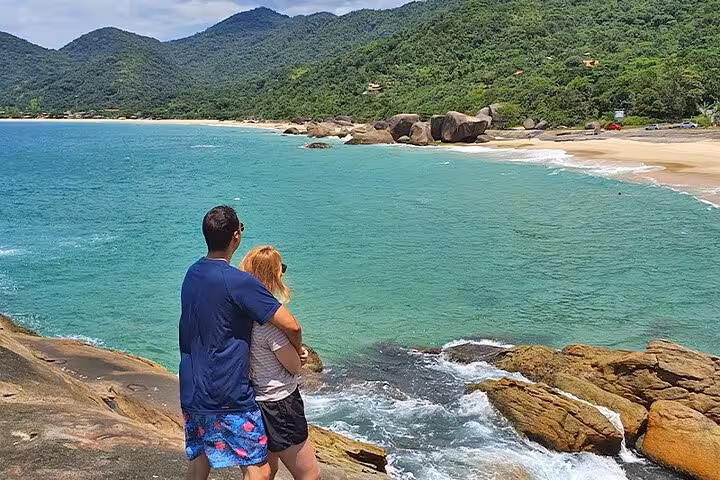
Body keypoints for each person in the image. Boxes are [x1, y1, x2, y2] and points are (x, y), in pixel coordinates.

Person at [179, 206, 306, 480]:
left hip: (192, 390)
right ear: (236, 237)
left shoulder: (192, 273)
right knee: (259, 470)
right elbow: (291, 325)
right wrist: (298, 351)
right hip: (227, 395)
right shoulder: (238, 282)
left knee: (200, 463)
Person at [240, 246, 321, 480]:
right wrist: (300, 352)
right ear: (274, 276)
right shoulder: (270, 323)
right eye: (281, 270)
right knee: (309, 475)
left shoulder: (238, 314)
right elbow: (294, 366)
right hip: (279, 404)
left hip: (251, 400)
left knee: (265, 471)